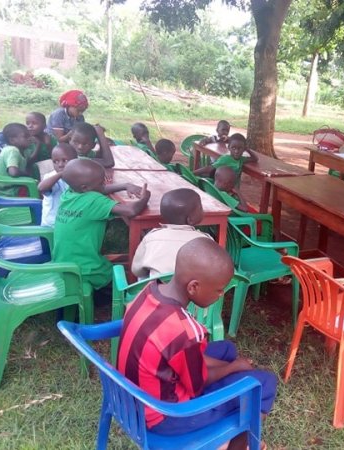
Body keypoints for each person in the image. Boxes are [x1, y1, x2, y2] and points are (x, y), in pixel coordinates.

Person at [118, 238, 277, 449]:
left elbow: (179, 353)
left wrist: (229, 365)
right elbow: (197, 385)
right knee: (264, 382)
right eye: (219, 290)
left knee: (227, 349)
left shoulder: (148, 291)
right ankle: (238, 443)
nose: (221, 295)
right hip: (166, 416)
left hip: (133, 397)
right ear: (193, 287)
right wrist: (233, 368)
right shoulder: (184, 332)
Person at [53, 159, 149, 292]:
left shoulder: (69, 194)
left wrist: (125, 185)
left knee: (109, 264)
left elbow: (99, 189)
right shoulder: (93, 200)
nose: (104, 184)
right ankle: (112, 297)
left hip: (62, 262)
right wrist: (145, 197)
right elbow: (131, 211)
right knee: (118, 275)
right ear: (85, 188)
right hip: (84, 270)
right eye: (101, 182)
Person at [131, 188, 212, 279]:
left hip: (158, 291)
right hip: (193, 290)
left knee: (144, 276)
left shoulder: (151, 237)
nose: (203, 210)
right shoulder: (206, 241)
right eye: (200, 207)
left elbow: (137, 270)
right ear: (190, 219)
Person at [0, 123, 37, 196]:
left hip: (10, 186)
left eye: (29, 135)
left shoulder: (22, 150)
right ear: (12, 140)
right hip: (7, 191)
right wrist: (27, 174)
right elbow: (13, 172)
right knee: (40, 192)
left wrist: (37, 146)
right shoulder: (12, 150)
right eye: (26, 136)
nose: (30, 138)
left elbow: (30, 161)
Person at [38, 143, 77, 227]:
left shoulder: (78, 176)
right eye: (55, 161)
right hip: (52, 226)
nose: (60, 165)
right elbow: (41, 188)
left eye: (65, 160)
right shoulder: (51, 178)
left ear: (76, 161)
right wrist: (61, 174)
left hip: (69, 222)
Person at [193, 133, 258, 179]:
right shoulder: (225, 159)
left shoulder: (241, 159)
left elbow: (255, 158)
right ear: (229, 147)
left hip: (233, 189)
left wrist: (248, 149)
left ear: (244, 149)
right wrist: (193, 174)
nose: (236, 151)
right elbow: (209, 168)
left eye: (240, 148)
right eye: (233, 148)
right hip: (223, 190)